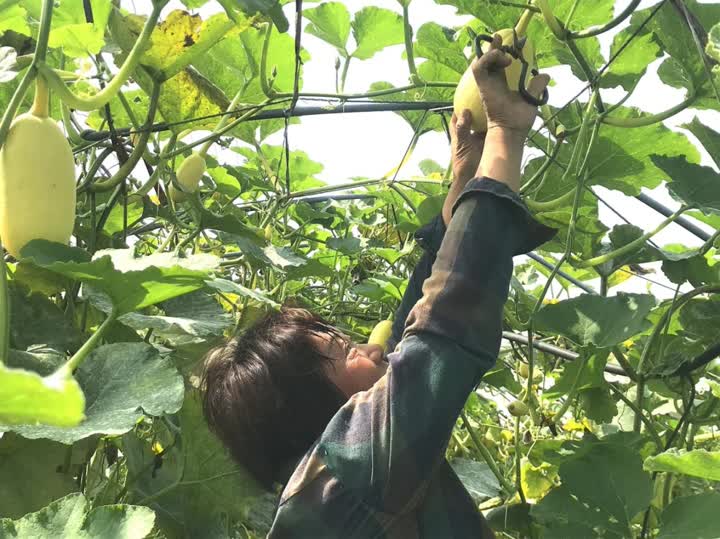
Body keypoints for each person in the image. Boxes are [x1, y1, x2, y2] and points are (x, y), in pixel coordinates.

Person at [201, 34, 554, 538]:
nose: (370, 345)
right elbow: (443, 329)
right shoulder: (353, 471)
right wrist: (505, 133)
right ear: (309, 407)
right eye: (343, 350)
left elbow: (415, 327)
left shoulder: (321, 496)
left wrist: (463, 180)